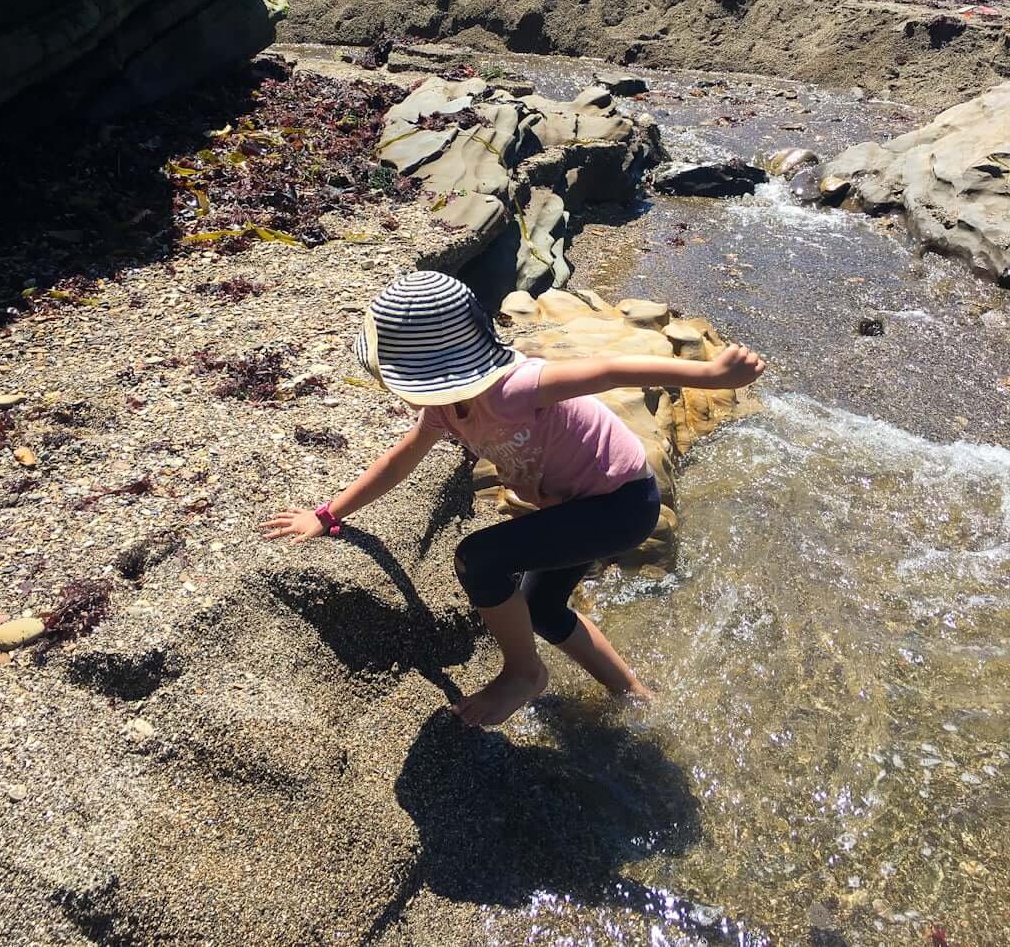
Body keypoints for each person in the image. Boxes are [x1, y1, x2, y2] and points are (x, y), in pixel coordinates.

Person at [261, 271, 765, 727]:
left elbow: (609, 371)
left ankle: (524, 673)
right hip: (578, 506)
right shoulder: (444, 408)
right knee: (542, 607)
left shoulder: (516, 387)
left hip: (621, 502)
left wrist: (713, 377)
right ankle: (635, 697)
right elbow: (400, 460)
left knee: (478, 559)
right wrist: (327, 514)